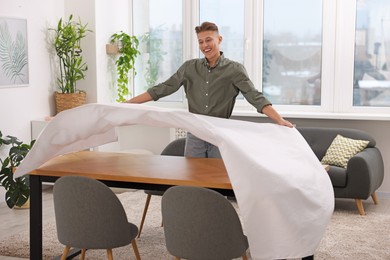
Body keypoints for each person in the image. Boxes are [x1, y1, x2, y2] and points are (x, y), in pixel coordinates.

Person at [125, 21, 293, 158]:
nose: (205, 45)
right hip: (195, 135)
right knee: (192, 181)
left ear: (219, 39)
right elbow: (162, 89)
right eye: (200, 41)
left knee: (218, 183)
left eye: (208, 40)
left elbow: (254, 96)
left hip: (219, 135)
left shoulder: (234, 70)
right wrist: (129, 104)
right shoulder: (189, 68)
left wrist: (278, 119)